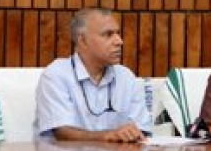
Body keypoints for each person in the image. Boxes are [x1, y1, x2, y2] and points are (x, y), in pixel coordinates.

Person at [35, 8, 151, 142]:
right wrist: (108, 136)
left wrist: (133, 134)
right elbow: (62, 132)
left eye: (118, 33)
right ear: (82, 41)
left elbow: (141, 130)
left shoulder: (126, 77)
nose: (119, 41)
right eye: (108, 34)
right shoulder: (56, 74)